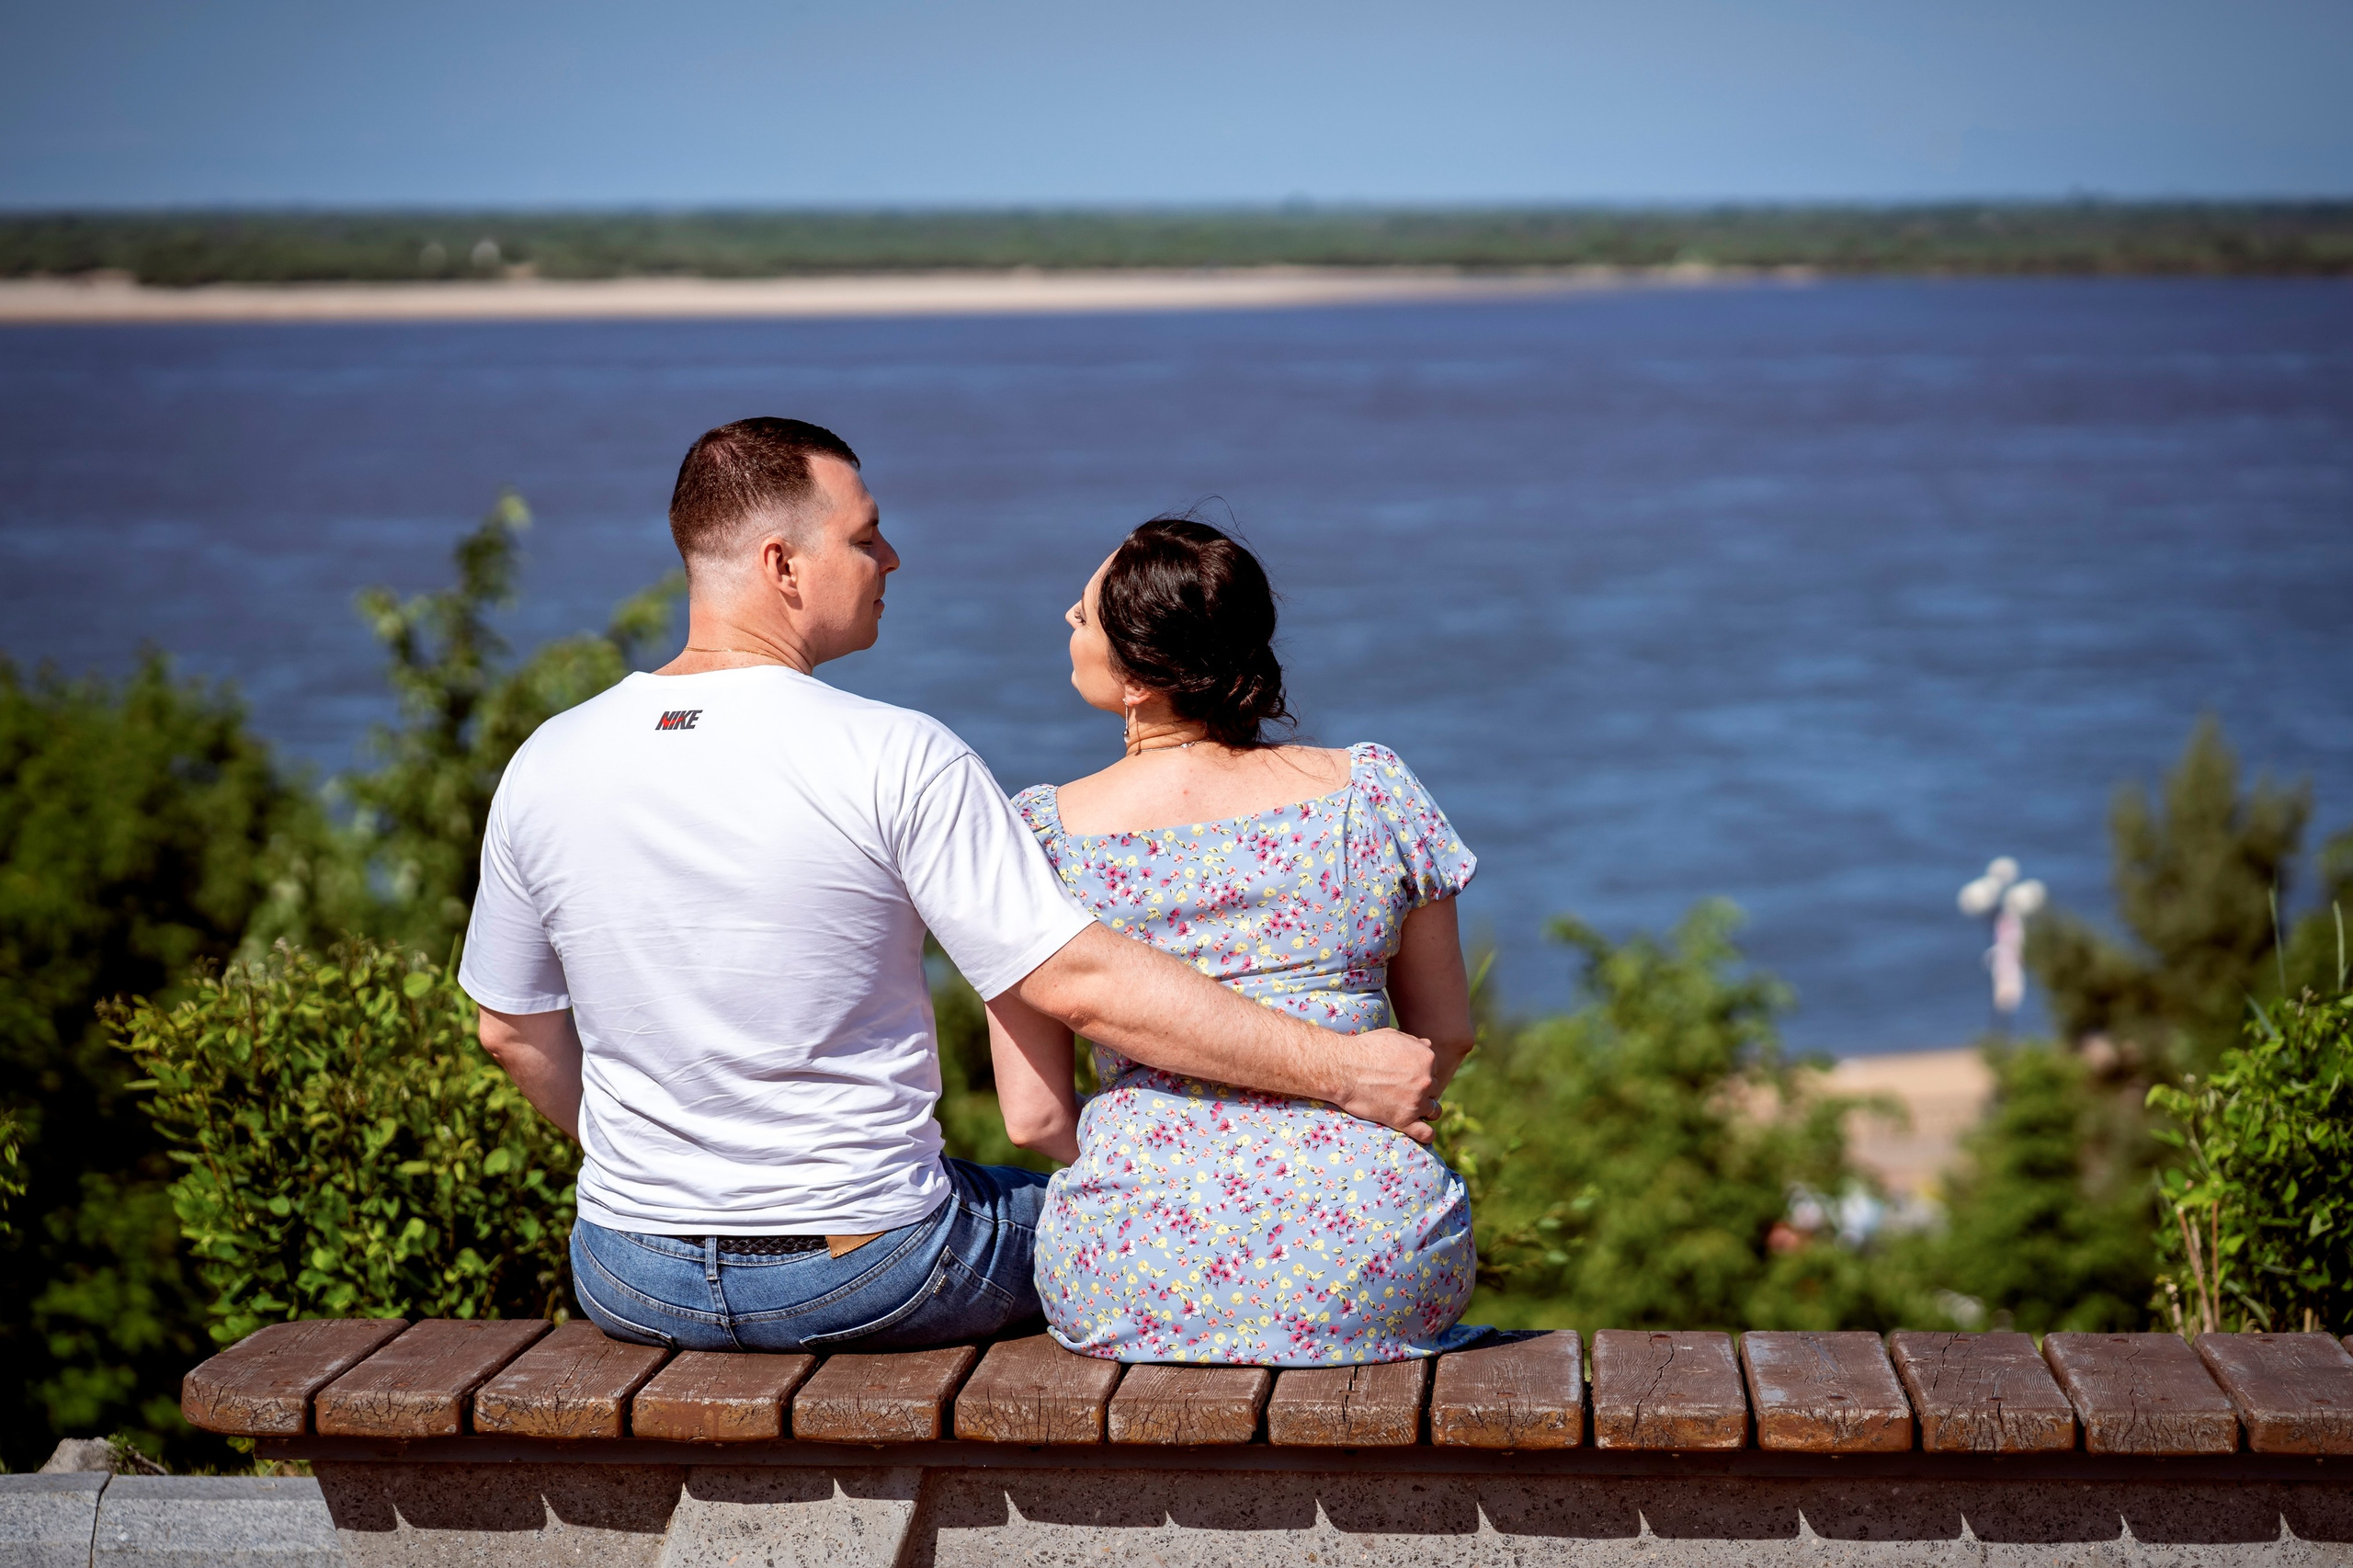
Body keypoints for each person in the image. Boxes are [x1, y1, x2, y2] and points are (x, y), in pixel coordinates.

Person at [457, 419, 1444, 1353]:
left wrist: (675, 1174)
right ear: (781, 565)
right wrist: (1345, 1069)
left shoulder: (547, 759)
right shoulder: (897, 753)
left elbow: (510, 1029)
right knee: (1087, 1225)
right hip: (864, 1267)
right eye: (866, 535)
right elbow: (1079, 981)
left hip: (632, 1272)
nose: (890, 559)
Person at [985, 516, 1481, 1366]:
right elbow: (1449, 1035)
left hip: (1133, 1266)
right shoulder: (1372, 790)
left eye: (1083, 615)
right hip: (1368, 1258)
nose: (1067, 622)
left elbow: (1034, 1120)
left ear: (1139, 676)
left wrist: (1172, 1170)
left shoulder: (1038, 838)